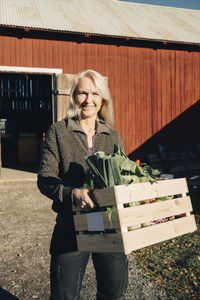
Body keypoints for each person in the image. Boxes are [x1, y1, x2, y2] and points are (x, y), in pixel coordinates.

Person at [37, 69, 128, 300]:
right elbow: (45, 178)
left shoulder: (112, 135)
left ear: (103, 99)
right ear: (74, 96)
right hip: (71, 223)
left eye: (95, 94)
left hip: (108, 224)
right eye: (83, 93)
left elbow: (123, 175)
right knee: (64, 294)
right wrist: (72, 193)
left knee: (113, 291)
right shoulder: (59, 131)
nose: (89, 100)